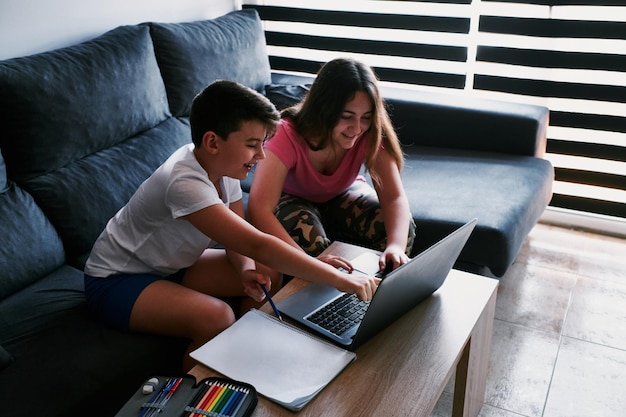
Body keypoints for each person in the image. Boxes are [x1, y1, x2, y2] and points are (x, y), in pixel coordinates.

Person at [83, 80, 380, 370]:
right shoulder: (184, 182)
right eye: (253, 145)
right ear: (213, 142)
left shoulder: (224, 168)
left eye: (263, 144)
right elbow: (256, 242)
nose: (261, 155)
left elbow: (242, 243)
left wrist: (245, 269)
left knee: (265, 271)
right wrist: (337, 278)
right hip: (116, 280)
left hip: (172, 266)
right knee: (216, 317)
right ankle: (194, 398)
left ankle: (246, 359)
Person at [247, 57, 416, 274]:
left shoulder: (370, 131)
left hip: (343, 191)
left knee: (400, 230)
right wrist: (310, 264)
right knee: (311, 243)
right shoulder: (285, 134)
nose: (357, 128)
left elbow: (394, 197)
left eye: (366, 117)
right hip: (292, 198)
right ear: (323, 110)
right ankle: (330, 302)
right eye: (347, 116)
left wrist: (395, 247)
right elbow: (259, 210)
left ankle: (376, 293)